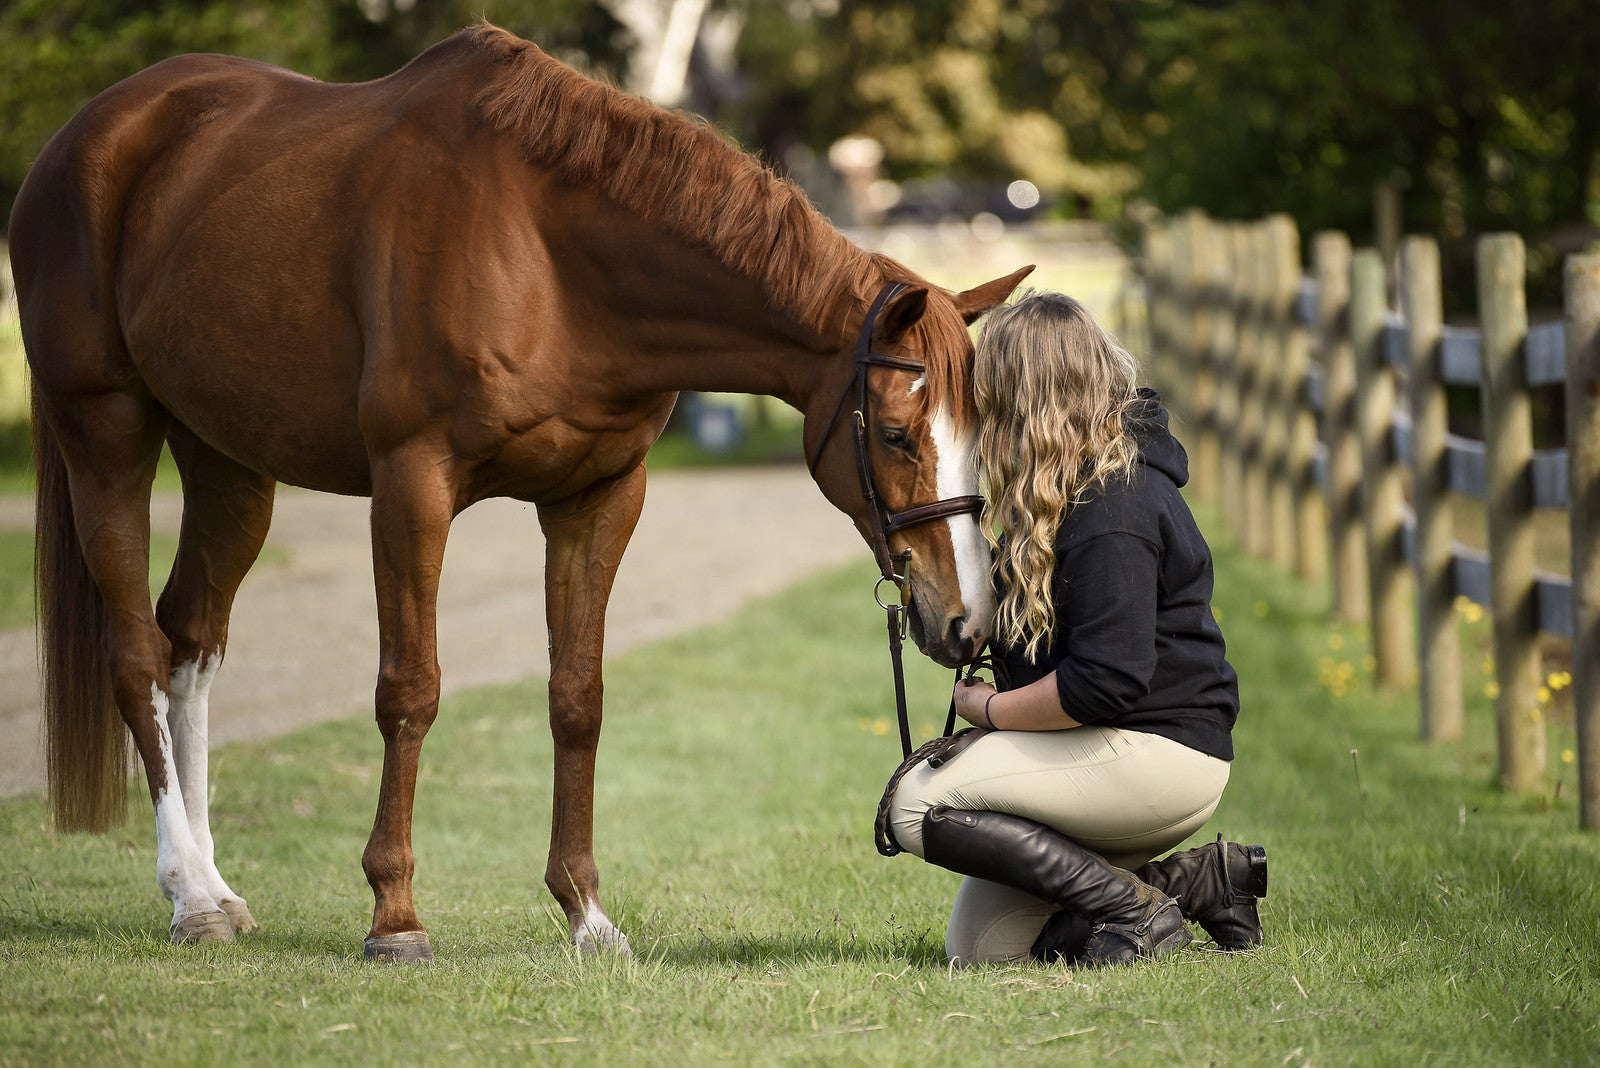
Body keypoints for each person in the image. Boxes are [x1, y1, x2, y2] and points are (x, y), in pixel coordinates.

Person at [882, 290, 1266, 967]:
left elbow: (1106, 682)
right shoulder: (1057, 491)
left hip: (1156, 756)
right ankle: (1198, 882)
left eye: (984, 400)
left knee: (917, 804)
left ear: (1019, 401)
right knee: (985, 949)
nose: (976, 420)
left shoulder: (1114, 504)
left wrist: (991, 710)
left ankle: (1136, 908)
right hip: (1104, 749)